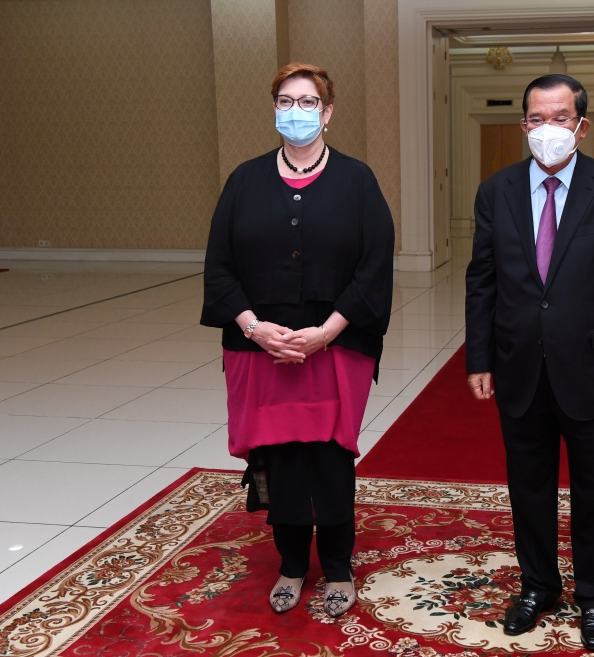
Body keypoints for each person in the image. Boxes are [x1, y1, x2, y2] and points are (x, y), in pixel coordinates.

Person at [464, 74, 594, 651]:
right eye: (535, 118)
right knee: (528, 485)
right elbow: (482, 283)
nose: (545, 128)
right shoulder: (495, 192)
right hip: (519, 363)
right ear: (523, 124)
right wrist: (480, 356)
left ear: (581, 125)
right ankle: (538, 585)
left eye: (558, 118)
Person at [201, 63, 394, 619]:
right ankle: (290, 563)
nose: (296, 111)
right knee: (277, 457)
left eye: (308, 102)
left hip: (336, 347)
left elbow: (374, 266)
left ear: (327, 113)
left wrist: (328, 332)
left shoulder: (358, 181)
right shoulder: (243, 181)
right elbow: (218, 268)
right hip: (259, 348)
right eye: (286, 101)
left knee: (329, 457)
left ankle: (337, 565)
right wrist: (254, 328)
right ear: (274, 109)